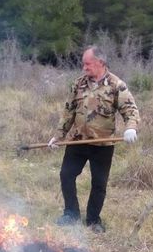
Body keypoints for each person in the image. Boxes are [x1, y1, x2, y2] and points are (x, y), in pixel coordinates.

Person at [48, 46, 140, 233]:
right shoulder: (78, 84)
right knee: (66, 175)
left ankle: (93, 220)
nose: (84, 68)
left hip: (103, 145)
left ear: (101, 62)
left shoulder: (117, 85)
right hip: (77, 141)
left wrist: (131, 128)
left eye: (87, 64)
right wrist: (58, 136)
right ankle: (71, 214)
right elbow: (68, 113)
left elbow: (131, 110)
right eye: (83, 64)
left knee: (99, 183)